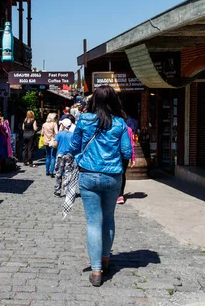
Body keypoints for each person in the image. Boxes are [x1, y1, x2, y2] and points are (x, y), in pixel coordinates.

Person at [69, 86, 132, 287]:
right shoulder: (120, 123)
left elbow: (73, 147)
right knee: (109, 218)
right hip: (112, 176)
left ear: (94, 100)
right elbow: (127, 152)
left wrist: (82, 157)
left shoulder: (84, 120)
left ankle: (96, 271)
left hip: (88, 175)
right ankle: (106, 260)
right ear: (114, 100)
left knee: (93, 223)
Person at [53, 119, 74, 197]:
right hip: (69, 155)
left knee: (58, 173)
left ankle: (57, 191)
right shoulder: (72, 134)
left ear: (64, 125)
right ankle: (66, 190)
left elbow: (55, 144)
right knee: (68, 173)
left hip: (60, 155)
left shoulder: (59, 134)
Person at [117, 125, 136, 205]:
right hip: (125, 155)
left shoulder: (112, 126)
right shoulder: (129, 129)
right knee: (122, 174)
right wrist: (133, 158)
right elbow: (132, 144)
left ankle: (119, 194)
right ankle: (120, 195)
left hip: (116, 154)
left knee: (118, 174)